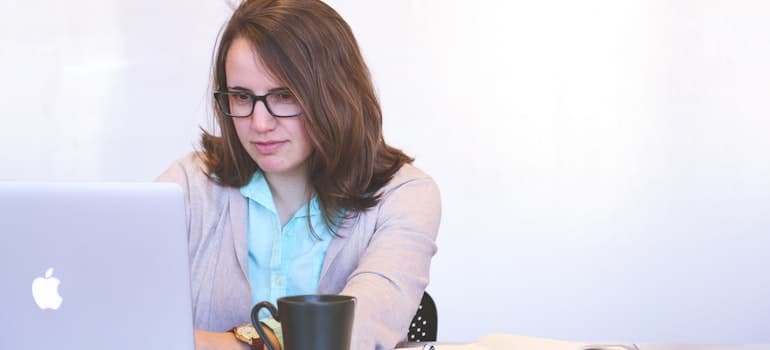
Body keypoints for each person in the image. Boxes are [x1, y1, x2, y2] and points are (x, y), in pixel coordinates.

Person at [157, 0, 441, 349]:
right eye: (242, 96)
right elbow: (121, 315)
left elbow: (354, 329)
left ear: (335, 94)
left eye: (284, 95)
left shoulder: (405, 195)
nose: (260, 124)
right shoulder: (189, 184)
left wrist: (243, 343)